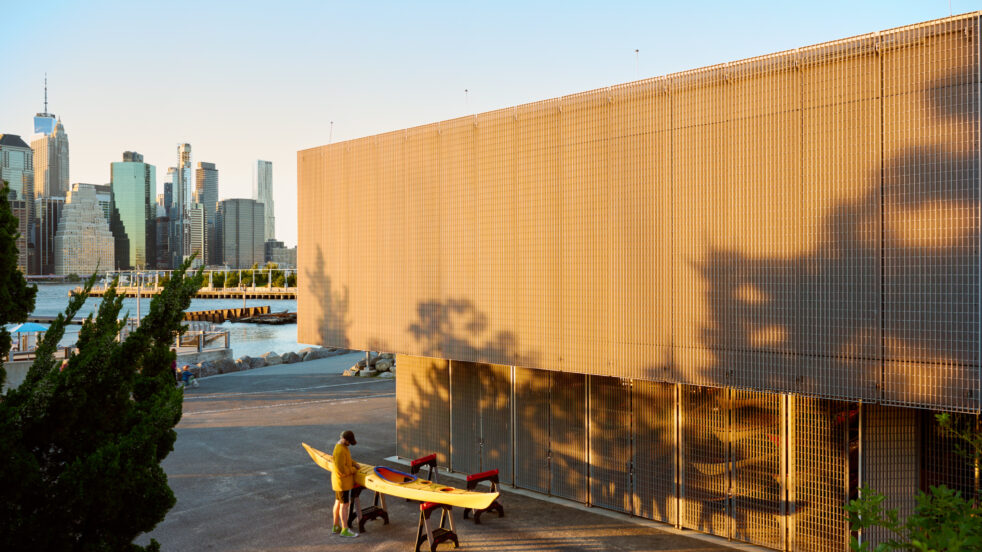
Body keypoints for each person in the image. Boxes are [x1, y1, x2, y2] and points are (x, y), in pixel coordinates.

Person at [331, 430, 359, 538]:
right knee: (345, 505)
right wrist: (353, 470)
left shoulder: (343, 447)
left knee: (338, 502)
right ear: (345, 439)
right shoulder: (339, 451)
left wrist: (354, 464)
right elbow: (342, 470)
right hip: (342, 483)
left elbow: (347, 460)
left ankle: (336, 526)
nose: (350, 445)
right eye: (349, 442)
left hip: (339, 483)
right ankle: (344, 529)